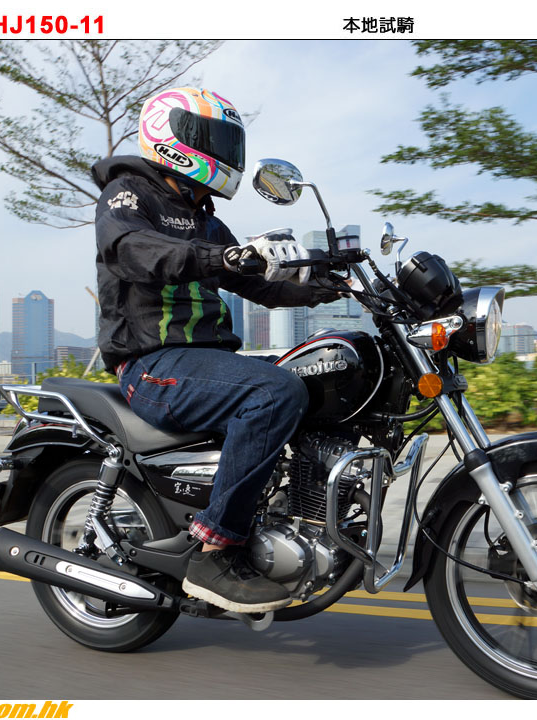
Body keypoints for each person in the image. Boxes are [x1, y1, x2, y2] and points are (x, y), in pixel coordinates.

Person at [92, 87, 339, 613]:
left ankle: (292, 520)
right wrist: (223, 257)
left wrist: (327, 282)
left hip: (205, 363)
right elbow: (133, 250)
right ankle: (214, 553)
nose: (225, 151)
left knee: (325, 377)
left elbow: (260, 283)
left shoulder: (203, 214)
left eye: (227, 140)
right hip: (152, 363)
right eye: (212, 138)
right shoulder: (128, 193)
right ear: (170, 134)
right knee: (273, 393)